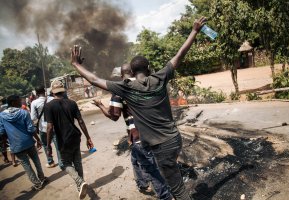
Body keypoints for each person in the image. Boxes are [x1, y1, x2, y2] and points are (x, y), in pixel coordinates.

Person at [71, 17, 206, 199]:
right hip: (175, 139)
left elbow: (94, 80)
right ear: (149, 68)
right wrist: (194, 31)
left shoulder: (126, 88)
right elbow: (180, 54)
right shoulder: (160, 78)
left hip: (160, 146)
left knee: (178, 191)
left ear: (132, 73)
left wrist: (76, 64)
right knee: (173, 177)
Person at [93, 64, 173, 200]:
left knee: (150, 168)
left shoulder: (119, 89)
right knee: (135, 159)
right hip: (151, 131)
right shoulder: (143, 83)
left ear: (121, 75)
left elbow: (114, 116)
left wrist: (100, 105)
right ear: (133, 72)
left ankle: (165, 196)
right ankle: (142, 184)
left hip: (139, 135)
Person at [44, 80, 94, 199]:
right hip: (75, 137)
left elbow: (50, 127)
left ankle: (79, 182)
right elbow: (80, 121)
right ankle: (80, 187)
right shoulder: (72, 103)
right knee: (77, 162)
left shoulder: (49, 106)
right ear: (63, 90)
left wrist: (48, 145)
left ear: (53, 92)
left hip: (63, 139)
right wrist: (88, 137)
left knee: (65, 164)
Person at [0, 95, 46, 190]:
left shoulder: (2, 116)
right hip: (28, 142)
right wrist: (38, 139)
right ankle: (42, 178)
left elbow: (2, 132)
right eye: (19, 100)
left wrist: (7, 142)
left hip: (16, 145)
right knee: (36, 161)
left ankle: (37, 184)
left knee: (26, 165)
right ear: (13, 103)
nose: (21, 102)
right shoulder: (24, 113)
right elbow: (30, 129)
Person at [31, 86, 63, 169]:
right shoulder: (52, 99)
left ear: (36, 93)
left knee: (46, 145)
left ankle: (50, 161)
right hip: (54, 127)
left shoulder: (34, 103)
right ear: (44, 91)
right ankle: (61, 163)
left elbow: (33, 118)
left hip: (43, 128)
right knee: (58, 145)